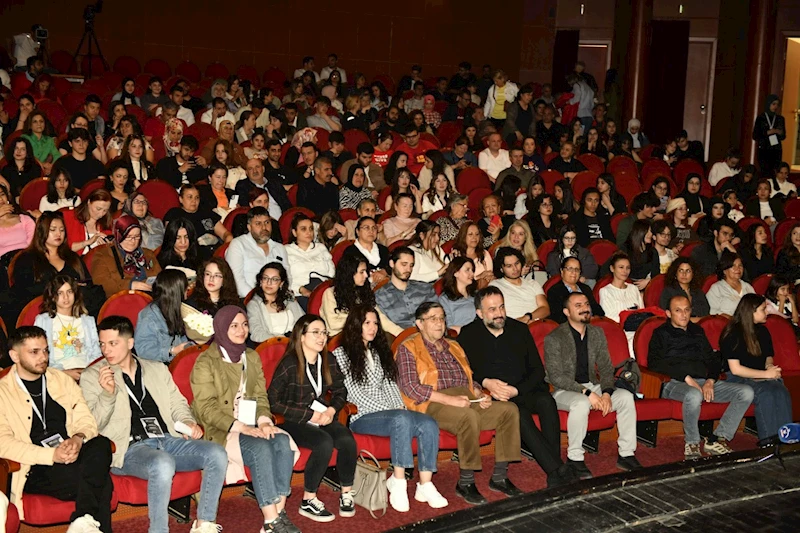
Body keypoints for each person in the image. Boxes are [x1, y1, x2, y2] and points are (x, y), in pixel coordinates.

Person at [79, 315, 226, 533]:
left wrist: (187, 421)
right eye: (102, 344)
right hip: (129, 448)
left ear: (130, 343)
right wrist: (107, 395)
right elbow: (93, 425)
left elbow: (177, 403)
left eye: (112, 343)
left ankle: (204, 523)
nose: (106, 350)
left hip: (167, 439)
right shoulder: (93, 376)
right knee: (162, 462)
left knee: (216, 453)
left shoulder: (156, 369)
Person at [396, 301, 521, 504]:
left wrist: (480, 393)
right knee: (467, 416)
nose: (439, 323)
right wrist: (449, 400)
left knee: (509, 410)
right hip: (432, 403)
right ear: (419, 323)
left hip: (465, 398)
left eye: (442, 318)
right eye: (433, 319)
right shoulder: (408, 347)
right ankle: (466, 482)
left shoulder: (453, 346)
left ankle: (500, 476)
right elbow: (411, 388)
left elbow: (469, 378)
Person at [189, 306, 300, 532]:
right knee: (261, 448)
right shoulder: (206, 361)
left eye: (245, 324)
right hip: (220, 429)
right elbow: (207, 409)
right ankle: (271, 520)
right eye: (234, 326)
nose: (242, 330)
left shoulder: (250, 356)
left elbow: (260, 396)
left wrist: (264, 421)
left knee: (281, 442)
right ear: (221, 328)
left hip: (249, 425)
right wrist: (241, 427)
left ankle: (278, 513)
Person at [333, 307, 449, 512]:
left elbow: (390, 385)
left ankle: (425, 484)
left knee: (428, 422)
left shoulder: (377, 352)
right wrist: (395, 412)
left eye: (375, 323)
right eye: (367, 323)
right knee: (401, 419)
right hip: (363, 416)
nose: (373, 328)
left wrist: (398, 406)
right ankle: (398, 481)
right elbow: (354, 393)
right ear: (355, 326)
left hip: (390, 414)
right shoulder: (341, 354)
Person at [0, 326, 114, 533]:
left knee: (101, 443)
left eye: (45, 350)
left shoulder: (60, 380)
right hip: (36, 466)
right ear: (15, 356)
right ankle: (84, 520)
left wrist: (78, 438)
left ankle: (83, 521)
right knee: (101, 481)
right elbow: (3, 444)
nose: (43, 357)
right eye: (34, 352)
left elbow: (86, 420)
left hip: (71, 452)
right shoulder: (3, 392)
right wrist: (52, 455)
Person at [460, 287, 576, 487]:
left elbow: (537, 370)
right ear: (479, 313)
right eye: (492, 309)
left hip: (523, 389)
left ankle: (554, 467)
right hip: (494, 394)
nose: (499, 313)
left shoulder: (519, 329)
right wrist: (486, 382)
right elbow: (465, 371)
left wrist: (517, 390)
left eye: (502, 307)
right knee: (517, 412)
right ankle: (557, 469)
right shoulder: (469, 334)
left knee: (546, 401)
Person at [268, 315, 357, 522]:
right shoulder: (290, 364)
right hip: (292, 420)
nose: (322, 337)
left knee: (346, 438)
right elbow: (272, 402)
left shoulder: (328, 359)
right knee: (323, 442)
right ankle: (308, 499)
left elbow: (340, 391)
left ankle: (346, 493)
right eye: (315, 332)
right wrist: (310, 415)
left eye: (324, 333)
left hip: (321, 415)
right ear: (301, 336)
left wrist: (331, 411)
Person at [545, 292, 641, 478]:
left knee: (625, 397)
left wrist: (606, 393)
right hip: (563, 390)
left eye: (586, 304)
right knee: (581, 403)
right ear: (566, 312)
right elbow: (556, 377)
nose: (585, 308)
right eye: (578, 305)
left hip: (591, 385)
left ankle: (626, 454)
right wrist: (587, 393)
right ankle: (574, 458)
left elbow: (605, 368)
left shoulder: (596, 333)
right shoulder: (554, 338)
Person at [649, 295, 754, 459]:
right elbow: (655, 364)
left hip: (702, 381)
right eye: (678, 311)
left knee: (746, 392)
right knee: (694, 394)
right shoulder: (660, 333)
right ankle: (692, 442)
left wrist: (711, 380)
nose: (684, 314)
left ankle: (717, 438)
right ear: (668, 313)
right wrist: (685, 378)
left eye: (687, 310)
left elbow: (713, 359)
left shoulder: (697, 331)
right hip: (674, 383)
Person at [721, 294, 793, 446]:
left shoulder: (763, 331)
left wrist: (769, 367)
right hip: (738, 378)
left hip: (760, 375)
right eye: (763, 309)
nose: (767, 312)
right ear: (751, 312)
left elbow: (768, 356)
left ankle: (786, 439)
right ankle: (769, 442)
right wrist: (766, 374)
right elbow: (735, 369)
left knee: (781, 390)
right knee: (765, 393)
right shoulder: (732, 333)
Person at [10, 211, 95, 312]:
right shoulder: (27, 259)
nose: (58, 234)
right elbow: (22, 293)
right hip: (42, 311)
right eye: (53, 230)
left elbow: (87, 284)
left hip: (76, 311)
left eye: (62, 230)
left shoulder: (72, 257)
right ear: (42, 231)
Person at [34, 275, 101, 382]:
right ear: (53, 296)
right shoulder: (43, 321)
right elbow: (37, 355)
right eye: (60, 293)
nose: (66, 297)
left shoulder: (87, 321)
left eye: (69, 292)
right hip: (57, 375)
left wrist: (88, 372)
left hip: (87, 373)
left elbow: (96, 353)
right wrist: (64, 373)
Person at [89, 215, 161, 296]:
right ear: (119, 236)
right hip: (121, 298)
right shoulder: (103, 255)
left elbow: (159, 277)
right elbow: (101, 284)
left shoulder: (148, 254)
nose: (133, 241)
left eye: (137, 236)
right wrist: (130, 285)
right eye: (128, 236)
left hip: (149, 296)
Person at [226, 206, 288, 299]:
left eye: (267, 222)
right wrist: (258, 299)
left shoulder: (279, 248)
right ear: (249, 227)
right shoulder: (238, 244)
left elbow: (287, 277)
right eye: (258, 223)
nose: (264, 227)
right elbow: (236, 280)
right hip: (248, 299)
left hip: (278, 299)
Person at [135, 270, 192, 364]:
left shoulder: (180, 308)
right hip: (158, 364)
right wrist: (171, 351)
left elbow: (183, 338)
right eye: (185, 288)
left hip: (178, 359)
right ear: (176, 293)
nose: (188, 289)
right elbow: (143, 349)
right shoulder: (149, 316)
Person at [375, 246, 438, 331]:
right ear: (392, 264)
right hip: (401, 337)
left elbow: (437, 316)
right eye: (404, 264)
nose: (408, 269)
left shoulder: (425, 289)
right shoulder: (380, 296)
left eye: (411, 265)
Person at [164, 185, 232, 257]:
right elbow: (170, 239)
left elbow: (225, 234)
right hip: (189, 254)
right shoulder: (174, 214)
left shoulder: (207, 213)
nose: (194, 201)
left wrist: (225, 247)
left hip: (214, 252)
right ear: (181, 199)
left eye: (197, 197)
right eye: (190, 197)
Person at [246, 262, 304, 343]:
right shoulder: (254, 305)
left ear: (281, 283)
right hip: (271, 345)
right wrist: (280, 341)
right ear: (260, 281)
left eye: (275, 279)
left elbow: (303, 324)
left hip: (296, 343)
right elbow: (257, 333)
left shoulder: (289, 300)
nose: (269, 283)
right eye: (265, 278)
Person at [285, 213, 335, 308]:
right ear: (294, 232)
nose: (308, 232)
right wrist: (300, 289)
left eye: (311, 229)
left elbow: (331, 271)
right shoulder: (286, 250)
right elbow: (284, 277)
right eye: (303, 229)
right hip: (300, 293)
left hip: (323, 289)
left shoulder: (321, 247)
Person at [488, 247, 549, 324]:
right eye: (509, 266)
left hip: (535, 324)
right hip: (511, 326)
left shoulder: (532, 283)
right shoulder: (495, 286)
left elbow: (545, 309)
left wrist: (527, 317)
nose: (515, 269)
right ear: (501, 269)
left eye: (517, 263)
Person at [546, 256, 603, 323]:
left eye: (577, 269)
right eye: (570, 269)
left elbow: (598, 310)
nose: (574, 272)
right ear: (562, 271)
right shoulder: (554, 291)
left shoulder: (585, 288)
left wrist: (594, 319)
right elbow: (558, 317)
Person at [598, 252, 645, 323]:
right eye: (621, 267)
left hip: (637, 326)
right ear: (612, 268)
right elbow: (609, 317)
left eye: (628, 268)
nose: (625, 271)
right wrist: (630, 317)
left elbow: (642, 312)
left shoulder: (633, 288)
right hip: (618, 327)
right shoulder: (605, 291)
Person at [707, 251, 756, 317]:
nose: (738, 269)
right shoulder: (717, 289)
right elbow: (712, 313)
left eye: (740, 265)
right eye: (733, 266)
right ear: (724, 270)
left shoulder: (748, 287)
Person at [437, 257, 478, 333]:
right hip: (462, 335)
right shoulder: (445, 299)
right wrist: (469, 332)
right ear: (456, 273)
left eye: (472, 270)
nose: (472, 274)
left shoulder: (476, 295)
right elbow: (448, 326)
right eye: (467, 270)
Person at [752, 94, 786, 175]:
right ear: (768, 104)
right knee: (765, 171)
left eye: (777, 104)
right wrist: (767, 132)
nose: (775, 106)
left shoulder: (780, 119)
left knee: (775, 170)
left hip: (776, 149)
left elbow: (783, 136)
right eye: (773, 104)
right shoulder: (761, 118)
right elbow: (755, 135)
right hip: (764, 148)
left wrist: (779, 132)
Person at [0, 184, 34, 257]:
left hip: (26, 257)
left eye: (2, 194)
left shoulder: (24, 219)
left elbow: (33, 245)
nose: (0, 199)